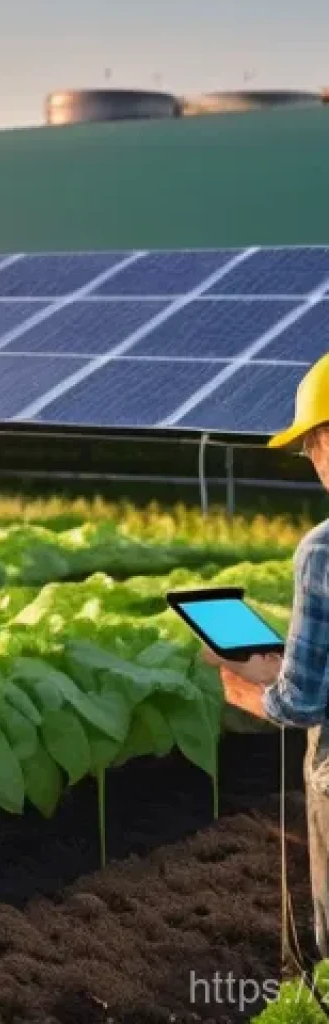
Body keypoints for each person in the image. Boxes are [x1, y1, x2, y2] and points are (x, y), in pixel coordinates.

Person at [204, 351, 329, 957]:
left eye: (309, 447)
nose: (311, 462)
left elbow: (301, 702)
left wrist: (246, 688)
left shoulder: (323, 550)